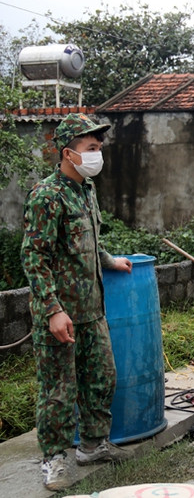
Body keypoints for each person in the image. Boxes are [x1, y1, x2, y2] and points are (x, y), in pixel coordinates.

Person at [21, 113, 134, 491]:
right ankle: (54, 458)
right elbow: (34, 259)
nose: (97, 154)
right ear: (69, 153)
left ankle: (93, 444)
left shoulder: (86, 190)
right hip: (60, 314)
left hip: (91, 310)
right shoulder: (46, 196)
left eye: (99, 148)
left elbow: (89, 240)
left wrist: (109, 261)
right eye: (91, 148)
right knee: (58, 390)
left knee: (102, 378)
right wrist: (53, 311)